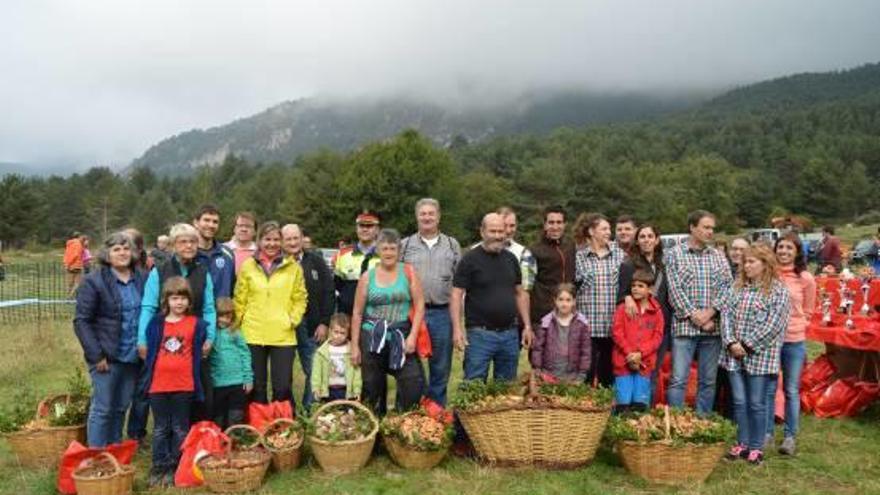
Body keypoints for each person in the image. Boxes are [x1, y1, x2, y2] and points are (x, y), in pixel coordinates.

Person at [138, 223, 217, 422]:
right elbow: (148, 307)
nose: (189, 246)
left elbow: (209, 309)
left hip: (195, 340)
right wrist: (142, 340)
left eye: (193, 242)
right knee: (167, 393)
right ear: (173, 245)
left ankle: (195, 440)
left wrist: (210, 337)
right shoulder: (159, 271)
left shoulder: (203, 272)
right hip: (166, 343)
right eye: (183, 242)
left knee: (198, 393)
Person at [73, 232, 146, 447]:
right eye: (117, 249)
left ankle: (114, 449)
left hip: (132, 356)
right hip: (106, 356)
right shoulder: (94, 281)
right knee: (103, 408)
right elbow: (82, 321)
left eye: (126, 248)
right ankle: (95, 453)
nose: (122, 253)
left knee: (121, 406)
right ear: (107, 254)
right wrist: (96, 355)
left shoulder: (142, 277)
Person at [721, 245, 790, 466]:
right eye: (745, 262)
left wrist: (747, 345)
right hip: (733, 355)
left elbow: (774, 324)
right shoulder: (736, 287)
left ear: (765, 264)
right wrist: (731, 342)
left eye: (751, 262)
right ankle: (741, 442)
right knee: (740, 402)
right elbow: (726, 316)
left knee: (756, 403)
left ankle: (756, 447)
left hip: (759, 356)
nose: (746, 266)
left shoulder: (777, 291)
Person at [138, 277, 208, 487]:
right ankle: (159, 465)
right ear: (166, 300)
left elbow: (199, 351)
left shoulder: (196, 324)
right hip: (158, 385)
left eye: (183, 299)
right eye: (174, 298)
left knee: (179, 428)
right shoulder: (156, 324)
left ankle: (177, 465)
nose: (179, 303)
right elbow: (150, 352)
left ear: (189, 301)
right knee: (160, 428)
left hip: (184, 385)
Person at [350, 229, 426, 416]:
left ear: (399, 250)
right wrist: (355, 346)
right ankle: (374, 434)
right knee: (372, 385)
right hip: (372, 335)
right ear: (378, 250)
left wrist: (413, 337)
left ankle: (402, 426)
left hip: (401, 333)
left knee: (412, 382)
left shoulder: (408, 272)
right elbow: (357, 313)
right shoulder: (367, 277)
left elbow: (420, 305)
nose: (389, 253)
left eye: (393, 248)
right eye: (385, 248)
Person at [665, 210, 734, 415]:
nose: (710, 232)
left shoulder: (718, 256)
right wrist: (696, 317)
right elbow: (674, 291)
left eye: (712, 228)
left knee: (708, 381)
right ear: (692, 227)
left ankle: (702, 422)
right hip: (685, 328)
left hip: (712, 330)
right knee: (678, 379)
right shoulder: (674, 254)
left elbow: (727, 288)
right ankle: (676, 423)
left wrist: (711, 312)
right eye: (705, 227)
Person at [452, 213, 533, 383]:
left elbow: (520, 293)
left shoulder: (511, 259)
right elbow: (456, 293)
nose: (497, 236)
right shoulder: (470, 259)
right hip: (480, 335)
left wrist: (527, 325)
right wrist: (457, 328)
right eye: (493, 231)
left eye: (500, 231)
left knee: (506, 388)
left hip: (510, 334)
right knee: (473, 385)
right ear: (482, 232)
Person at [235, 221, 308, 407]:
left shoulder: (293, 268)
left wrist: (292, 319)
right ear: (259, 241)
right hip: (253, 332)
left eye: (276, 239)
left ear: (282, 242)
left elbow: (300, 298)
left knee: (282, 387)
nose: (272, 244)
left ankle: (280, 429)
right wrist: (237, 324)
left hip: (283, 334)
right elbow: (239, 298)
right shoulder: (248, 266)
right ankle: (258, 427)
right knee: (256, 387)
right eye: (267, 239)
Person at [400, 198, 461, 406]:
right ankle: (410, 411)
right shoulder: (406, 244)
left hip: (442, 313)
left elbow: (459, 283)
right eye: (423, 213)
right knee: (410, 368)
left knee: (440, 368)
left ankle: (436, 414)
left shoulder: (452, 245)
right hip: (412, 314)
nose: (427, 217)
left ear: (438, 217)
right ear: (417, 217)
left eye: (431, 213)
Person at [766, 233, 815, 455]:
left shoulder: (805, 278)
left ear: (797, 252)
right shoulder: (769, 275)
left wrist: (799, 324)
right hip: (768, 340)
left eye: (789, 248)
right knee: (768, 387)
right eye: (781, 247)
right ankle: (766, 432)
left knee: (791, 389)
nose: (784, 251)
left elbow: (809, 309)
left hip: (793, 340)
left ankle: (789, 436)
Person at [282, 223, 334, 410]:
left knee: (314, 370)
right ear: (282, 241)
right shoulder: (278, 263)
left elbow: (329, 291)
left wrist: (324, 322)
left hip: (312, 325)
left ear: (302, 237)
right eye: (288, 239)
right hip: (283, 327)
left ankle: (307, 411)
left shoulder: (316, 261)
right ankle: (289, 413)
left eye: (296, 238)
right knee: (283, 376)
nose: (293, 242)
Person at [616, 224, 671, 397]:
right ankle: (626, 414)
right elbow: (622, 293)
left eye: (650, 236)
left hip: (658, 326)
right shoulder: (629, 265)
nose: (646, 240)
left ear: (657, 240)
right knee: (629, 372)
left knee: (651, 373)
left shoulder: (663, 264)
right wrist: (627, 297)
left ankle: (645, 413)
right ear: (637, 241)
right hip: (635, 327)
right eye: (642, 237)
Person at [574, 213, 626, 387]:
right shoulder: (579, 256)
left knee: (609, 374)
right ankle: (585, 411)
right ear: (591, 231)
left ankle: (607, 411)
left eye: (609, 229)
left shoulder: (619, 254)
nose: (608, 232)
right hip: (588, 326)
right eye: (604, 229)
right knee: (586, 373)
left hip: (613, 326)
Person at [612, 270, 664, 414]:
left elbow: (658, 337)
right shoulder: (623, 308)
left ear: (651, 289)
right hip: (623, 363)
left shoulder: (657, 312)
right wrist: (630, 353)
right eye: (633, 285)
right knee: (622, 404)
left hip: (644, 365)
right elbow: (617, 333)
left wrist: (640, 353)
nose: (635, 288)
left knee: (639, 406)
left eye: (640, 286)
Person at [528, 205, 576, 333]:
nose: (555, 227)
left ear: (565, 224)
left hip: (568, 314)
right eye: (551, 222)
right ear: (544, 225)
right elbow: (526, 287)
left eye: (559, 222)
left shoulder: (571, 247)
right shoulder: (533, 251)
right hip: (542, 315)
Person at [529, 283, 591, 383]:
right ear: (555, 301)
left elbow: (586, 352)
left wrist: (582, 374)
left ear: (574, 301)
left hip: (572, 377)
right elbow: (538, 348)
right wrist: (537, 369)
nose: (564, 303)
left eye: (568, 300)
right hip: (548, 375)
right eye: (560, 299)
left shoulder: (581, 323)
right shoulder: (546, 322)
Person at [210, 298, 253, 429]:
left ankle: (235, 443)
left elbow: (245, 355)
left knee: (235, 417)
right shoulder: (211, 334)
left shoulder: (235, 333)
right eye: (220, 316)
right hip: (218, 383)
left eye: (227, 317)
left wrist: (248, 378)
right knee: (218, 418)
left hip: (237, 382)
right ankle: (219, 443)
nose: (224, 320)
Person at [334, 210, 381, 315]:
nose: (365, 229)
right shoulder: (343, 254)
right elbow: (338, 285)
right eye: (361, 226)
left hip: (374, 316)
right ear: (356, 229)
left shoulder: (385, 255)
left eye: (369, 226)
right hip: (347, 315)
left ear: (377, 230)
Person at [311, 313, 363, 402]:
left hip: (346, 390)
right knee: (328, 414)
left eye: (342, 333)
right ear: (330, 331)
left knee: (347, 413)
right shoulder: (321, 352)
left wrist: (357, 390)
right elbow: (316, 372)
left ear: (348, 333)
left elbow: (356, 372)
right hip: (328, 391)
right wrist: (316, 388)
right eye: (336, 332)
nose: (339, 336)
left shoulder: (351, 351)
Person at [193, 204, 236, 298]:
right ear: (196, 223)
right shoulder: (188, 254)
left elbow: (232, 288)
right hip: (194, 312)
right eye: (206, 220)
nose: (211, 225)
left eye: (215, 222)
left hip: (221, 311)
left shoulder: (227, 254)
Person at [496, 206, 536, 292]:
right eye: (504, 225)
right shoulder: (476, 250)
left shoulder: (525, 254)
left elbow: (526, 289)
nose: (508, 230)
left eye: (512, 226)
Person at [64, 231, 85, 297]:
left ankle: (67, 295)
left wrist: (67, 264)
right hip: (77, 265)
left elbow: (66, 254)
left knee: (70, 282)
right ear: (79, 237)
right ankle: (70, 295)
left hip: (69, 265)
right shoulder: (78, 244)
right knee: (77, 283)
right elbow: (76, 255)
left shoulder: (69, 244)